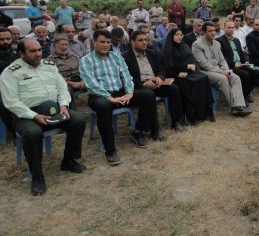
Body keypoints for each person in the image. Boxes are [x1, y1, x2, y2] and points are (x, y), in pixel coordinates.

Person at [0, 38, 86, 196]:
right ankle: (37, 175)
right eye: (32, 51)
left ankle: (68, 160)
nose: (38, 54)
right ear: (21, 53)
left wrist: (64, 105)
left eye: (39, 50)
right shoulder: (11, 72)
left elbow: (62, 88)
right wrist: (34, 116)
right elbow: (11, 102)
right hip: (26, 114)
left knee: (78, 120)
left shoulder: (49, 66)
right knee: (33, 133)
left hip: (54, 109)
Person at [80, 30, 159, 165]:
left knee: (147, 94)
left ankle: (138, 131)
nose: (106, 45)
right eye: (102, 42)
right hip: (99, 95)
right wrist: (109, 97)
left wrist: (129, 92)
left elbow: (126, 76)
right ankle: (110, 150)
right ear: (94, 43)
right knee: (104, 106)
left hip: (120, 92)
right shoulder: (86, 60)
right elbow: (90, 83)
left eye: (108, 42)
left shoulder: (116, 57)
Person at [123, 30, 186, 134]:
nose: (144, 42)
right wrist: (143, 83)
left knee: (174, 88)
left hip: (155, 82)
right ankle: (154, 129)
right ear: (132, 42)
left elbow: (162, 69)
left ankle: (176, 121)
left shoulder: (154, 53)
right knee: (149, 94)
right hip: (139, 86)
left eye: (146, 40)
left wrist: (160, 77)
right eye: (140, 40)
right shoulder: (125, 57)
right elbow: (126, 77)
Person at [192, 22, 250, 116]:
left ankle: (239, 105)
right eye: (210, 31)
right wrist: (222, 72)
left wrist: (227, 70)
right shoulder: (197, 45)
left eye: (214, 30)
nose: (213, 33)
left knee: (235, 77)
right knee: (223, 78)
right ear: (204, 32)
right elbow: (204, 65)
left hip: (219, 70)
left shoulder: (217, 43)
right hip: (205, 72)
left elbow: (223, 61)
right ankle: (235, 107)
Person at [161, 28, 214, 124]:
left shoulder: (184, 45)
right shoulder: (168, 48)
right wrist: (184, 67)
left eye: (181, 35)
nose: (179, 37)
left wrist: (188, 69)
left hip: (188, 72)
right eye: (177, 35)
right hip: (175, 75)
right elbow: (170, 66)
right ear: (171, 36)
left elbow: (191, 60)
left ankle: (206, 112)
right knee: (189, 83)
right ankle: (190, 116)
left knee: (204, 78)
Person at [217, 20, 259, 104]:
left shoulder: (236, 40)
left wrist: (246, 61)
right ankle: (242, 97)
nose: (231, 29)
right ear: (224, 28)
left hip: (240, 64)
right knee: (245, 74)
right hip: (229, 67)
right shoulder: (219, 41)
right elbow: (222, 58)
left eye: (233, 27)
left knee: (256, 72)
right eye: (229, 27)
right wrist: (233, 64)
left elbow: (242, 53)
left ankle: (246, 94)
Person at [47, 34, 86, 109]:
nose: (64, 47)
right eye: (62, 45)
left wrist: (83, 80)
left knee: (96, 83)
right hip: (65, 82)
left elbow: (83, 70)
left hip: (79, 80)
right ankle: (72, 114)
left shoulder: (74, 56)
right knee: (66, 92)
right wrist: (71, 83)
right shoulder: (50, 60)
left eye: (66, 45)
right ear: (54, 46)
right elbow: (55, 77)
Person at [0, 27, 19, 134]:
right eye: (1, 39)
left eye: (8, 38)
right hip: (2, 89)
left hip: (20, 85)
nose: (5, 42)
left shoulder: (18, 54)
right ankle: (16, 132)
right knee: (5, 105)